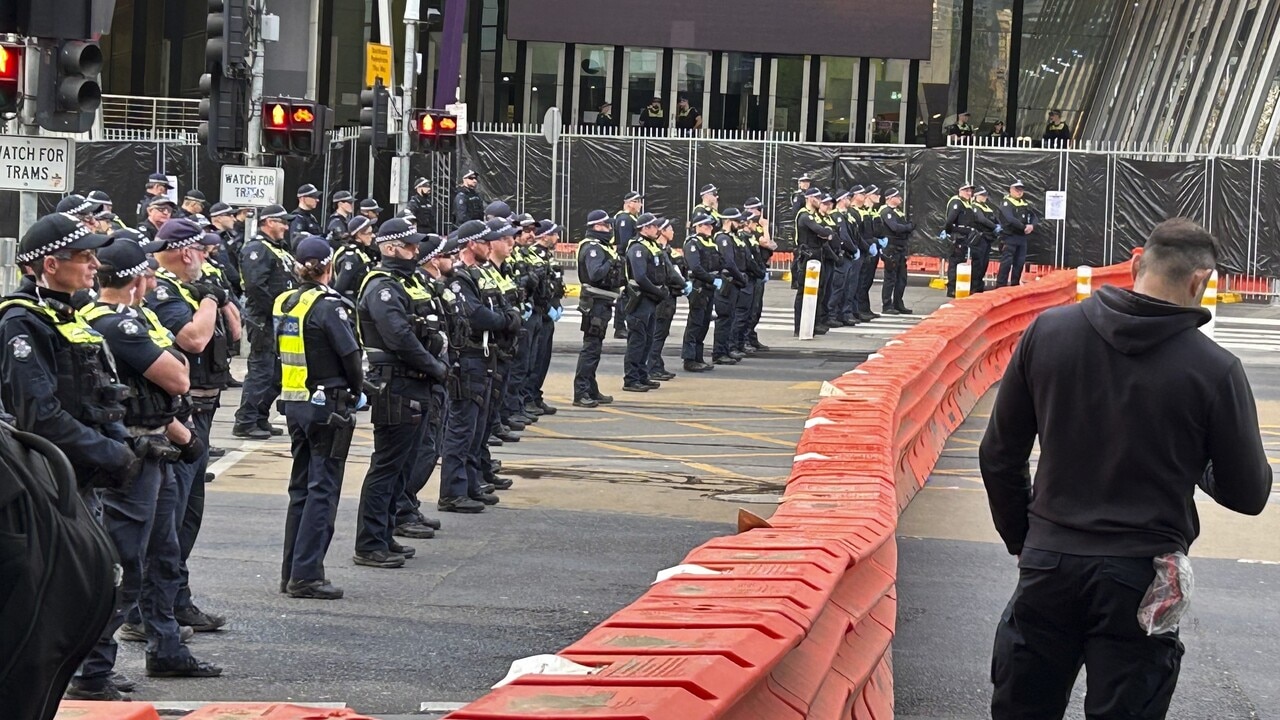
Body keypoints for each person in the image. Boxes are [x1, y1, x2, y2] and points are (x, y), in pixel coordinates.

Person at [979, 218, 1272, 719]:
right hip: (1143, 571)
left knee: (1022, 707)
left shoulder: (1048, 331)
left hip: (1049, 558)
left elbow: (999, 455)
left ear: (1136, 263)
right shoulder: (1213, 368)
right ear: (1200, 282)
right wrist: (1193, 457)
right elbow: (1249, 493)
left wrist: (1024, 539)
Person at [73, 239, 222, 697]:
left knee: (165, 554)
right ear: (138, 279)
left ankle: (167, 648)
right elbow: (179, 376)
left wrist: (184, 437)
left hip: (158, 444)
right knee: (125, 564)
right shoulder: (110, 323)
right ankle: (92, 669)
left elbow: (169, 381)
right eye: (149, 274)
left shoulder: (140, 318)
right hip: (134, 454)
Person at [145, 220, 236, 635]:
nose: (206, 257)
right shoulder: (164, 291)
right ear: (187, 252)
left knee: (188, 518)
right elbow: (194, 340)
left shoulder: (194, 290)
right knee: (170, 521)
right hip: (182, 416)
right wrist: (210, 301)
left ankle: (177, 601)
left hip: (205, 411)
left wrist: (220, 298)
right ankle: (149, 612)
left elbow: (235, 333)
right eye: (201, 250)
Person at [353, 219, 450, 567]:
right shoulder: (381, 287)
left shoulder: (407, 283)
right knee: (387, 465)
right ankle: (369, 543)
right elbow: (399, 337)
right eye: (408, 246)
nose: (415, 251)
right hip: (396, 383)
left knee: (403, 465)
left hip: (416, 381)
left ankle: (384, 534)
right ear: (391, 248)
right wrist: (435, 367)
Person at [275, 236, 363, 598]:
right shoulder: (329, 306)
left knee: (300, 489)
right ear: (330, 267)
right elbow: (350, 355)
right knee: (322, 490)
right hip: (327, 405)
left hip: (295, 402)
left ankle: (290, 570)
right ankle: (307, 575)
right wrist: (357, 392)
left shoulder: (285, 302)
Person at [439, 220, 517, 511]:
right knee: (461, 429)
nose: (489, 246)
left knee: (477, 429)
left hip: (485, 356)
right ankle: (453, 491)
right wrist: (506, 321)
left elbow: (501, 303)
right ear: (472, 244)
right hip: (468, 357)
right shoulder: (460, 277)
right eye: (485, 242)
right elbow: (477, 315)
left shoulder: (480, 274)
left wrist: (507, 317)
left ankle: (470, 484)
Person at [234, 204, 297, 438]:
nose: (286, 227)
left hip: (280, 319)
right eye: (282, 222)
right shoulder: (257, 249)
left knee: (277, 372)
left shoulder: (277, 248)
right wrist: (274, 312)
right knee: (262, 369)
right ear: (269, 222)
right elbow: (255, 286)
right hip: (265, 319)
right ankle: (246, 420)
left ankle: (260, 417)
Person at [573, 209, 626, 407]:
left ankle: (591, 388)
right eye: (606, 225)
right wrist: (612, 261)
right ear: (596, 226)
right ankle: (581, 392)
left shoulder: (601, 246)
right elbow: (595, 274)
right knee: (591, 348)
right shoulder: (593, 247)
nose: (610, 228)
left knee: (595, 348)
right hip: (595, 305)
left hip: (602, 304)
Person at [620, 212, 668, 393]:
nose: (657, 229)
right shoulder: (637, 248)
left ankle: (641, 375)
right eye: (654, 226)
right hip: (640, 299)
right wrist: (658, 292)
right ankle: (631, 379)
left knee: (647, 339)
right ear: (645, 228)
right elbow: (640, 277)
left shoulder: (650, 246)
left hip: (650, 299)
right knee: (637, 341)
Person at [521, 221, 565, 417]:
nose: (557, 238)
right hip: (540, 312)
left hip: (547, 313)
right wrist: (548, 307)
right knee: (534, 360)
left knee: (542, 360)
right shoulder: (534, 256)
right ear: (545, 236)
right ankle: (528, 398)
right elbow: (537, 289)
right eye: (554, 234)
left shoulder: (545, 256)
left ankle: (535, 396)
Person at [648, 218, 690, 380]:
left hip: (670, 296)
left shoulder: (669, 251)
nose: (673, 231)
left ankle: (657, 364)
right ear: (662, 231)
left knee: (662, 332)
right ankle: (652, 366)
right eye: (669, 228)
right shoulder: (657, 251)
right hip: (661, 297)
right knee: (657, 333)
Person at [681, 214, 722, 373]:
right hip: (699, 287)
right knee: (695, 323)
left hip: (709, 287)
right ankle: (689, 359)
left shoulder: (710, 243)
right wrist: (712, 279)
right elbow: (696, 267)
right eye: (706, 225)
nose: (710, 228)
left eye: (711, 225)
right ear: (697, 226)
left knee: (704, 323)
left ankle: (698, 357)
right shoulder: (693, 243)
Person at [792, 187, 832, 335]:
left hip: (817, 253)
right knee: (804, 292)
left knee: (818, 290)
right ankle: (799, 326)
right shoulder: (804, 215)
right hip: (807, 255)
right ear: (810, 198)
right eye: (817, 198)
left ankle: (813, 323)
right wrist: (825, 233)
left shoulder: (814, 215)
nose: (820, 200)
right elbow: (821, 231)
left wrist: (826, 233)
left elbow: (828, 231)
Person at [712, 208, 748, 365]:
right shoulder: (723, 239)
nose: (739, 224)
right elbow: (729, 262)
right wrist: (741, 278)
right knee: (724, 318)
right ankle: (719, 353)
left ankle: (725, 349)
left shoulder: (732, 237)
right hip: (728, 281)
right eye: (737, 221)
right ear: (728, 221)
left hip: (734, 282)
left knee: (730, 317)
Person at [740, 199, 775, 352]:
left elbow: (772, 245)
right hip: (752, 272)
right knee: (749, 308)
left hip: (760, 268)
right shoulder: (750, 230)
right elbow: (767, 243)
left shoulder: (756, 228)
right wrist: (766, 228)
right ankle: (745, 338)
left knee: (757, 308)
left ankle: (751, 336)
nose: (759, 213)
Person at [996, 180, 1039, 288]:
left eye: (1021, 189)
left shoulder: (1024, 203)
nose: (1019, 192)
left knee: (1019, 263)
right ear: (1011, 190)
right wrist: (1024, 227)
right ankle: (1000, 286)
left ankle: (1015, 286)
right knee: (1006, 263)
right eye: (1017, 189)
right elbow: (1010, 218)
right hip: (1009, 237)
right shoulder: (1006, 203)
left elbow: (1034, 217)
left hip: (1022, 238)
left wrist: (1032, 226)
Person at [612, 191, 644, 339]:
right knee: (626, 292)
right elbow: (625, 243)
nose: (640, 205)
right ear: (629, 203)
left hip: (628, 258)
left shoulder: (631, 218)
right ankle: (620, 326)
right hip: (625, 259)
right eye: (637, 201)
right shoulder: (625, 219)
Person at [879, 188, 914, 315]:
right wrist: (907, 227)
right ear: (889, 198)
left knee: (901, 278)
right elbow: (894, 227)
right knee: (890, 278)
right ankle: (887, 304)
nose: (900, 198)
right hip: (891, 249)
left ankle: (898, 303)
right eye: (897, 196)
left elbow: (904, 227)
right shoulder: (885, 211)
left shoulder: (898, 212)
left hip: (900, 248)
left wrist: (906, 228)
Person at [853, 185, 883, 323]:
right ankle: (859, 309)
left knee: (867, 281)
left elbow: (875, 231)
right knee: (861, 282)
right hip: (864, 249)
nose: (878, 196)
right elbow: (860, 234)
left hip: (871, 247)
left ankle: (865, 308)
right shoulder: (857, 212)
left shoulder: (870, 211)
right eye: (875, 193)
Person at [332, 216, 378, 303]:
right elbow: (340, 288)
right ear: (359, 234)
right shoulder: (350, 256)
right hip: (352, 303)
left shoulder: (361, 251)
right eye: (369, 233)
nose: (373, 235)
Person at [943, 183, 976, 298]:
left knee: (960, 262)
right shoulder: (957, 202)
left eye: (970, 191)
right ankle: (951, 288)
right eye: (966, 191)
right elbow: (950, 221)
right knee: (955, 263)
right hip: (957, 237)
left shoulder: (966, 203)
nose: (969, 193)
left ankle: (959, 287)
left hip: (963, 237)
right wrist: (950, 232)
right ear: (960, 191)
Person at [969, 188, 998, 293]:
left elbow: (993, 218)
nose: (985, 197)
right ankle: (974, 286)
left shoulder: (986, 207)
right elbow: (981, 219)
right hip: (979, 238)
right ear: (977, 196)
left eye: (985, 195)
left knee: (984, 263)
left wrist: (998, 224)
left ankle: (979, 285)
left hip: (987, 238)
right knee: (978, 263)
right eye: (982, 195)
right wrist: (995, 226)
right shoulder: (975, 207)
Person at [290, 184, 324, 249]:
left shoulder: (311, 217)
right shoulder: (297, 217)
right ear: (303, 198)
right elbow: (295, 243)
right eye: (314, 197)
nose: (317, 200)